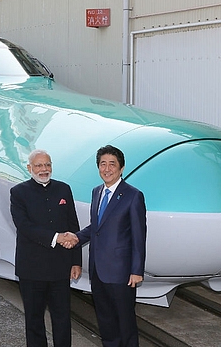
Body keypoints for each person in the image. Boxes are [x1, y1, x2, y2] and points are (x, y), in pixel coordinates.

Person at [64, 145, 147, 347]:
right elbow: (97, 227)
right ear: (98, 167)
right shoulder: (96, 192)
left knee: (125, 323)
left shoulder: (133, 195)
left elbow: (139, 235)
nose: (107, 169)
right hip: (98, 271)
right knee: (106, 322)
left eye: (112, 164)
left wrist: (136, 270)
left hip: (121, 273)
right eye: (103, 164)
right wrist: (75, 237)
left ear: (121, 168)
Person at [10, 149, 82, 347]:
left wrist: (76, 261)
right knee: (34, 320)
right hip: (31, 269)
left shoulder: (64, 189)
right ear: (29, 168)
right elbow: (24, 227)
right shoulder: (18, 192)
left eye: (47, 165)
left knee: (63, 318)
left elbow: (73, 226)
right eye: (39, 165)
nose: (44, 169)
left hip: (60, 268)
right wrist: (56, 237)